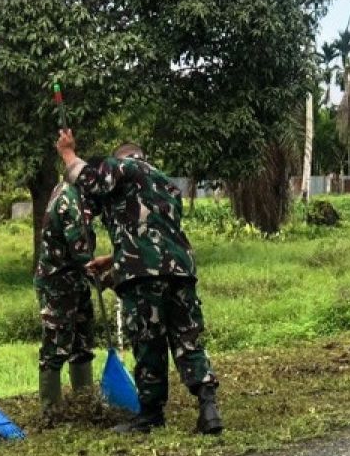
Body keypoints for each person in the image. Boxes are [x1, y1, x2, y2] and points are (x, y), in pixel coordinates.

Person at [55, 129, 222, 436]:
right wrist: (112, 257)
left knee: (148, 342)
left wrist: (67, 153)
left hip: (143, 275)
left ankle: (151, 413)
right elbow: (153, 231)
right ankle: (208, 406)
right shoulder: (167, 185)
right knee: (187, 339)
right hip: (180, 269)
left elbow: (89, 179)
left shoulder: (125, 167)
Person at [33, 180, 98, 420]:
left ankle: (85, 402)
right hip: (57, 284)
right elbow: (82, 249)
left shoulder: (68, 190)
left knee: (82, 342)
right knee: (56, 346)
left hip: (75, 281)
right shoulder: (69, 200)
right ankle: (51, 410)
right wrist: (110, 277)